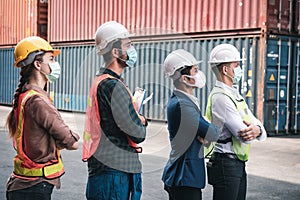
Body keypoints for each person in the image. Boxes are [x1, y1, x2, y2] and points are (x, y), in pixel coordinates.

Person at [5, 36, 80, 200]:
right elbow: (71, 142)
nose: (55, 64)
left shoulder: (25, 96)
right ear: (38, 64)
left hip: (23, 185)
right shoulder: (38, 101)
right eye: (51, 59)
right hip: (34, 187)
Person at [82, 21, 147, 200]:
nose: (132, 50)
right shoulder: (112, 85)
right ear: (116, 52)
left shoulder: (101, 80)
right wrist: (142, 122)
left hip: (108, 167)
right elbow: (137, 134)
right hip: (113, 172)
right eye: (128, 45)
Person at [205, 43, 267, 200]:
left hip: (236, 163)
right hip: (225, 164)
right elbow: (243, 135)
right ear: (226, 70)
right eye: (237, 65)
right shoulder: (221, 97)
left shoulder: (235, 95)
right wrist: (256, 130)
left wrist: (258, 129)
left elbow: (257, 125)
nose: (239, 69)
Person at [161, 49, 220, 200]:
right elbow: (212, 133)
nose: (198, 74)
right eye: (195, 70)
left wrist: (203, 132)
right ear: (184, 78)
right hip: (184, 176)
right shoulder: (183, 105)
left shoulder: (185, 101)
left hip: (182, 175)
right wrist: (205, 131)